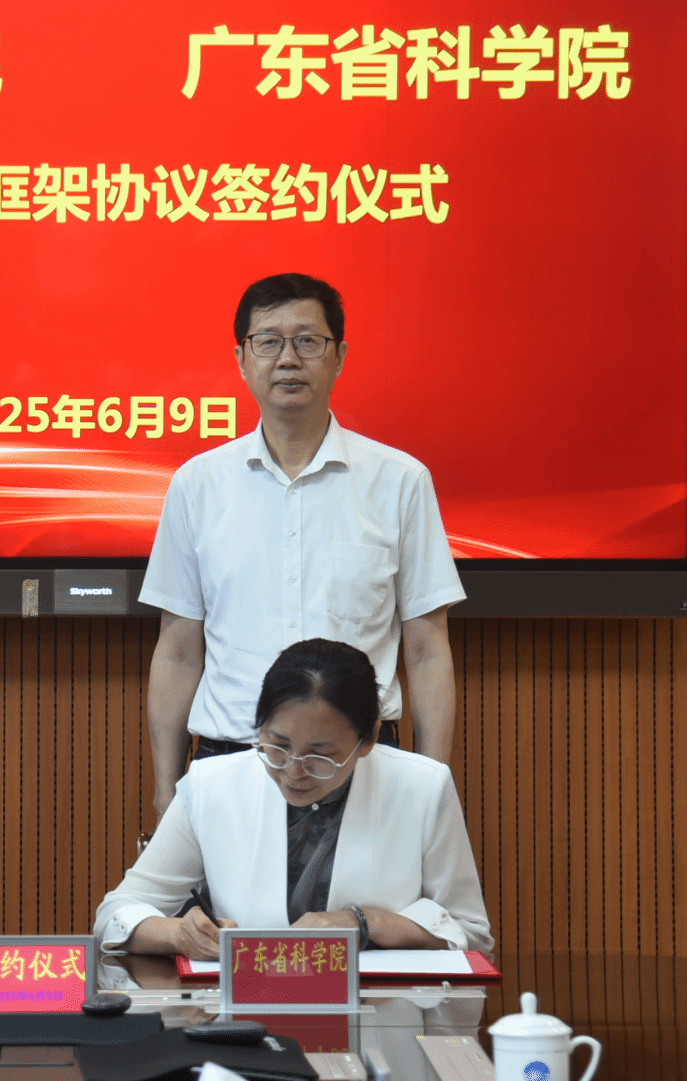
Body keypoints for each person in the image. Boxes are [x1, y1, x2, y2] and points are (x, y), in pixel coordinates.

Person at [141, 273, 467, 817]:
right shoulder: (197, 485)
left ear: (339, 357)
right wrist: (166, 789)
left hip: (361, 767)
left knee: (361, 885)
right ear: (242, 359)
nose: (288, 359)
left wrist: (433, 786)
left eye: (308, 341)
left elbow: (428, 650)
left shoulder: (400, 481)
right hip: (229, 766)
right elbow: (177, 652)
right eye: (269, 342)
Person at [93, 639, 491, 958]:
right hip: (245, 1016)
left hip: (380, 1014)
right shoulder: (211, 784)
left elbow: (470, 932)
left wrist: (365, 923)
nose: (294, 772)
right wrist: (178, 933)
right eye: (278, 746)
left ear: (369, 738)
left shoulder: (423, 786)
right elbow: (114, 915)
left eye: (321, 756)